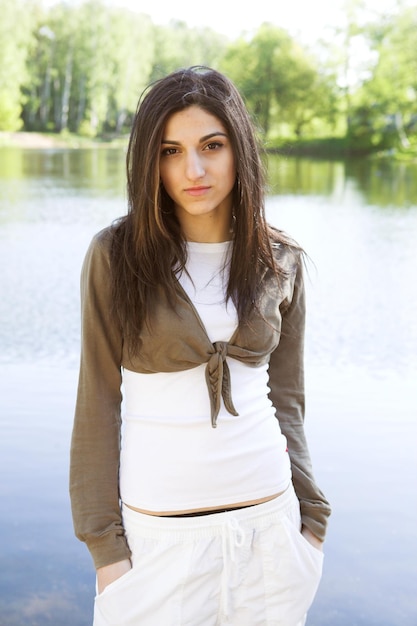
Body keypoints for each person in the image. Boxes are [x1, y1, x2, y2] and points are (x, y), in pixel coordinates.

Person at [70, 66, 331, 626]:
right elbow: (96, 403)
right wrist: (105, 551)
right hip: (158, 544)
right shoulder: (115, 256)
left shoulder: (278, 260)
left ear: (239, 150)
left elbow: (288, 400)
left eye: (212, 145)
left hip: (271, 533)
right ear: (149, 162)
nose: (193, 169)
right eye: (170, 150)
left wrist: (313, 520)